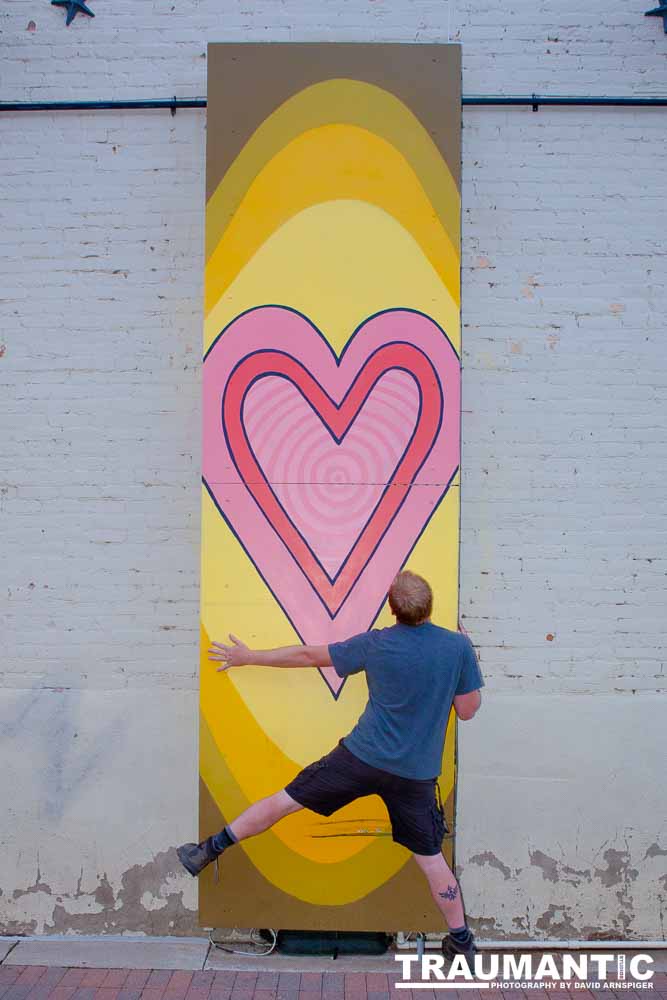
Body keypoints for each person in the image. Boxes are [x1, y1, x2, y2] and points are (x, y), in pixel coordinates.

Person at [177, 571, 483, 963]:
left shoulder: (375, 644)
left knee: (285, 801)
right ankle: (461, 941)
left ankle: (207, 850)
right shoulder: (456, 648)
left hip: (361, 757)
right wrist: (469, 655)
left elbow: (307, 656)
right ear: (430, 606)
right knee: (431, 860)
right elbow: (468, 711)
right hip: (415, 776)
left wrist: (248, 657)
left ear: (393, 609)